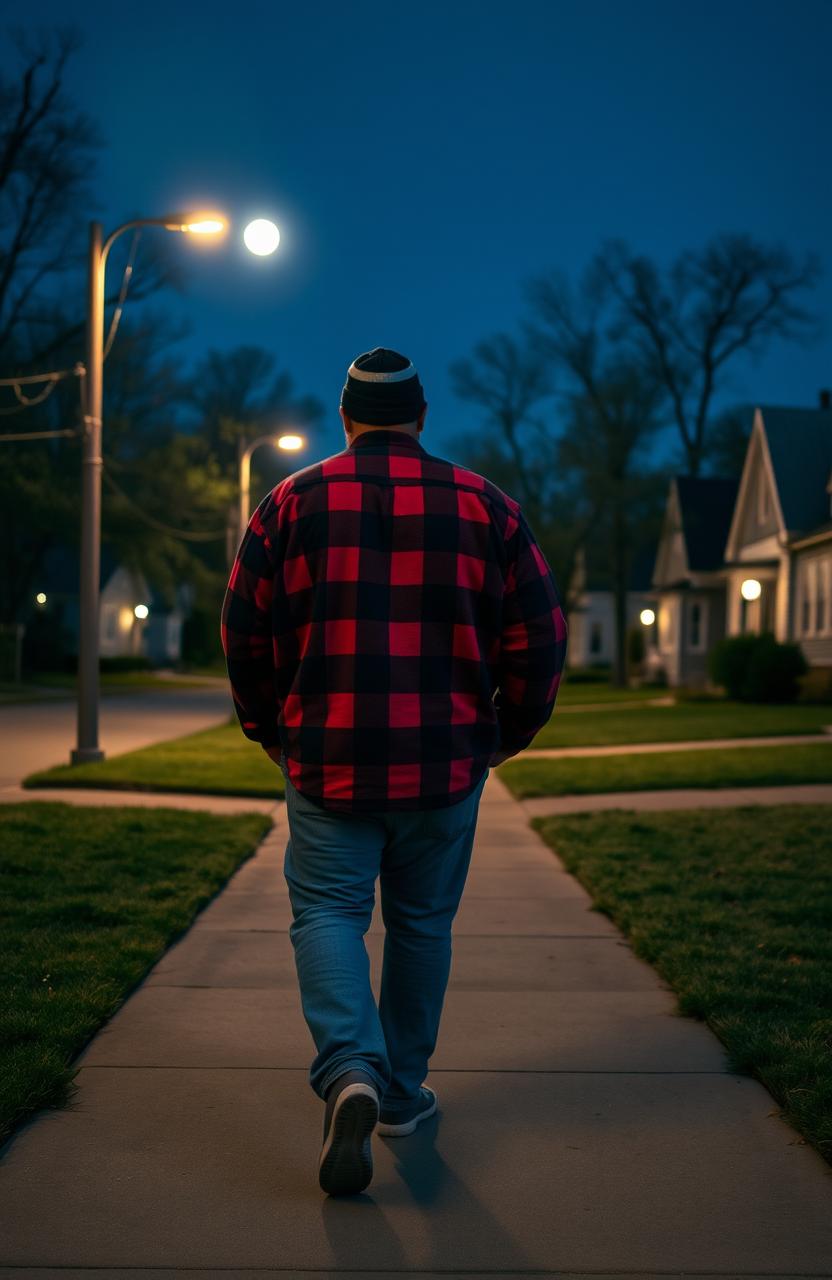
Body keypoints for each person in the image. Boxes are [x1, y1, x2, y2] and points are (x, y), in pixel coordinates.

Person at [221, 347, 567, 1196]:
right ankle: (403, 1093)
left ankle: (351, 1073)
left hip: (327, 757)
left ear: (346, 418)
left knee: (328, 912)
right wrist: (500, 736)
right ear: (419, 416)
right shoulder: (487, 506)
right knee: (421, 927)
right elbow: (541, 639)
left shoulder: (290, 501)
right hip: (443, 763)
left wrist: (272, 730)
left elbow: (243, 631)